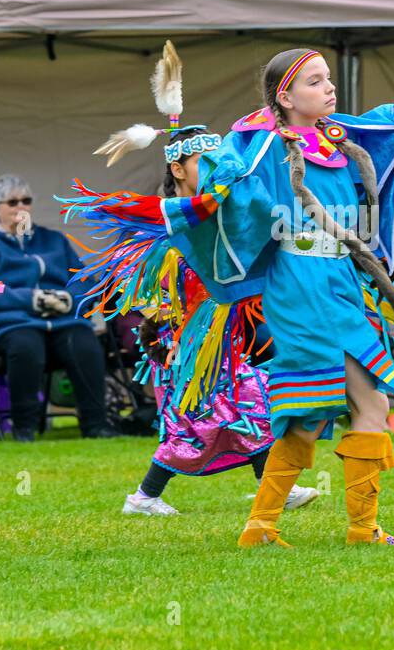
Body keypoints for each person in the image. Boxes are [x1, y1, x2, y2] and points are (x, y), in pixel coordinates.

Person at [70, 48, 394, 547]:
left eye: (329, 78)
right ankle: (303, 526)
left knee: (353, 407)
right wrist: (218, 183)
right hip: (300, 283)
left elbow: (389, 149)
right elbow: (238, 191)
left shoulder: (339, 140)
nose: (329, 88)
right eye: (315, 82)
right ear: (285, 97)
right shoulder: (264, 146)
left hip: (342, 279)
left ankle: (309, 526)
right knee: (332, 405)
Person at [69, 45, 319, 515]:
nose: (214, 170)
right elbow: (150, 296)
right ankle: (143, 497)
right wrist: (172, 337)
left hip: (220, 338)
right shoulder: (167, 227)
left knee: (247, 405)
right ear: (178, 170)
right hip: (182, 345)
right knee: (195, 422)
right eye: (203, 163)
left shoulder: (218, 220)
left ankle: (273, 489)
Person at [0, 175, 113, 442]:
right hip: (12, 324)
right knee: (25, 345)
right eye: (12, 202)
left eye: (26, 200)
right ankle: (24, 427)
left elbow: (82, 278)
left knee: (83, 341)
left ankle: (96, 425)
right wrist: (32, 299)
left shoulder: (53, 240)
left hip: (62, 321)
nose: (20, 207)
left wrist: (69, 299)